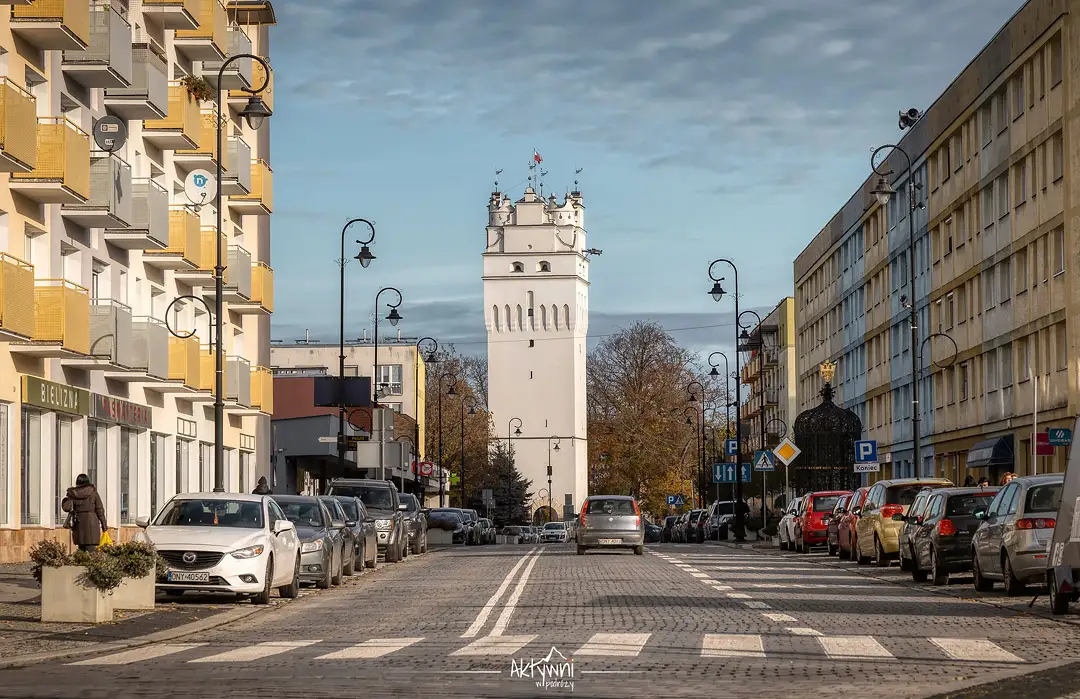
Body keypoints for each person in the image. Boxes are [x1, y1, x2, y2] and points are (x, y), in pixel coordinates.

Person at [61, 474, 107, 551]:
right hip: (92, 523)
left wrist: (66, 500)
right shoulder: (93, 492)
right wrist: (104, 525)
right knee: (91, 549)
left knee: (81, 547)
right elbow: (100, 510)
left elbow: (67, 508)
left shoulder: (72, 493)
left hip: (79, 523)